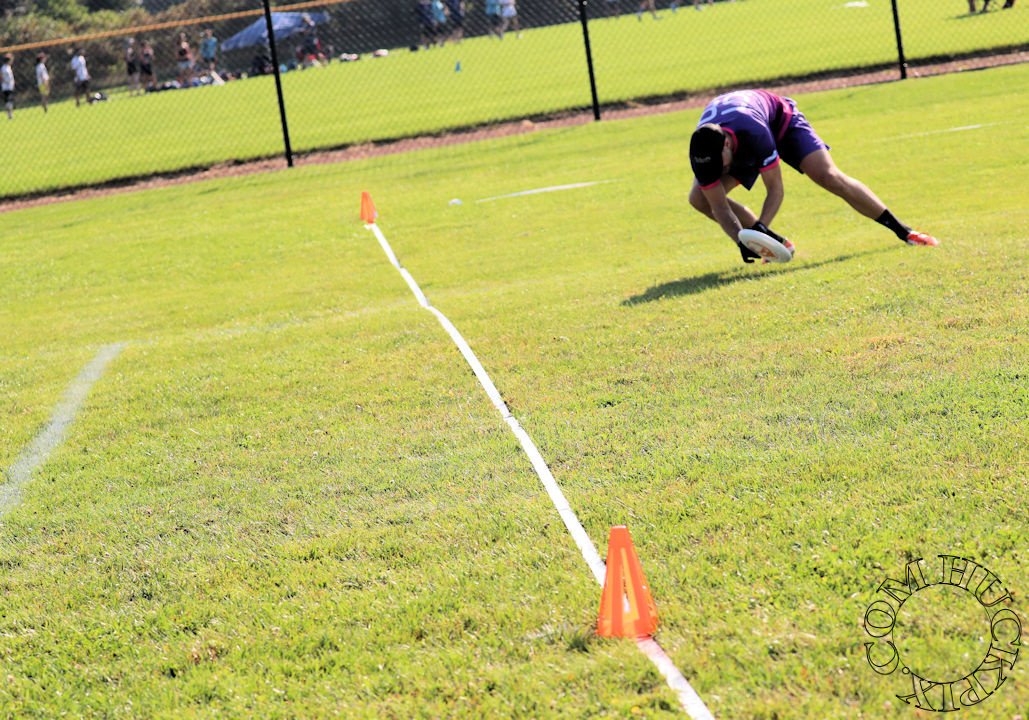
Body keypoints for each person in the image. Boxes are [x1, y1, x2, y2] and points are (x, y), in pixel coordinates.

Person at [687, 89, 938, 265]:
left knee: (828, 176)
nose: (719, 172)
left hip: (780, 124)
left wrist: (759, 230)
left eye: (720, 165)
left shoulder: (754, 131)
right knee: (699, 198)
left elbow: (775, 190)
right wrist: (742, 241)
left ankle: (905, 232)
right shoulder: (703, 153)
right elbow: (719, 206)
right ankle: (777, 242)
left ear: (727, 145)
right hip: (739, 139)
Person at [1, 54, 13, 120]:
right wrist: (6, 82)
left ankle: (10, 114)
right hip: (6, 87)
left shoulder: (8, 67)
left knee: (10, 101)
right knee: (8, 101)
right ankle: (9, 114)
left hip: (10, 87)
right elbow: (1, 76)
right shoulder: (3, 67)